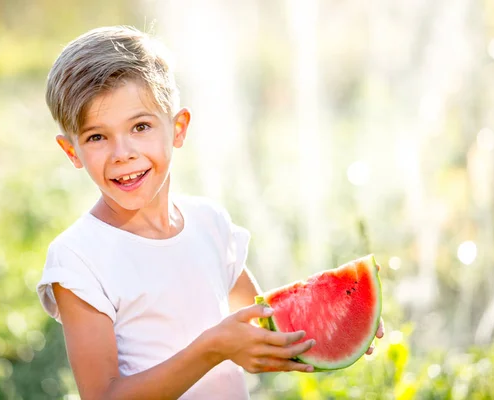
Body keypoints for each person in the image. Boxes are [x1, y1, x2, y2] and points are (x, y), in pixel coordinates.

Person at [36, 26, 383, 400]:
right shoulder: (78, 259)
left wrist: (340, 316)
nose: (123, 153)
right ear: (72, 151)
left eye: (140, 126)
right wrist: (211, 349)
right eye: (97, 137)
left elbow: (266, 326)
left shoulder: (210, 224)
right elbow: (103, 396)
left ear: (178, 128)